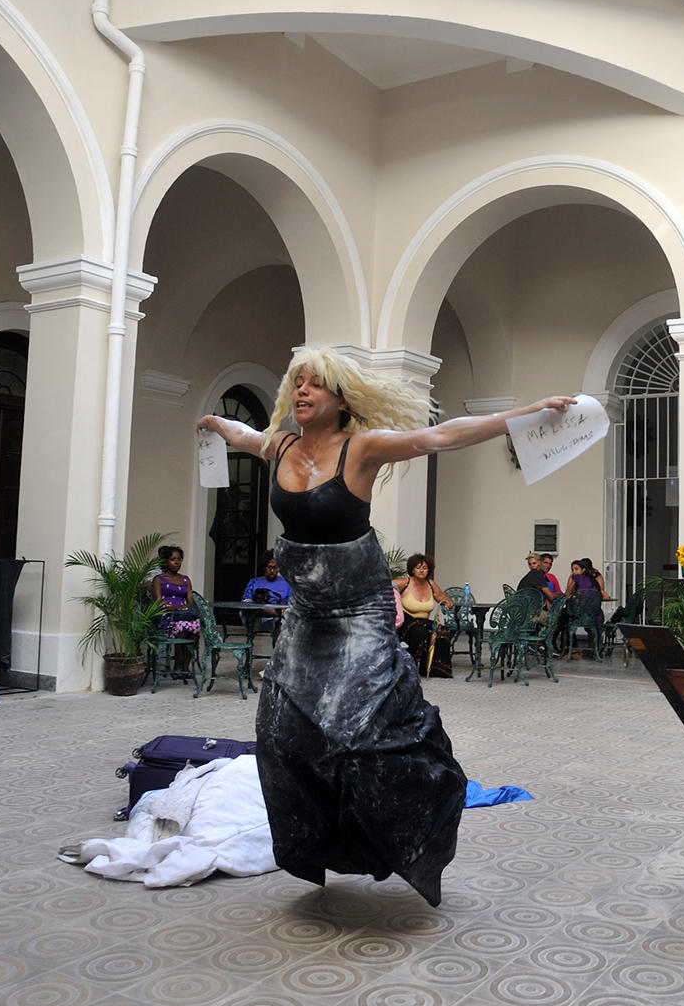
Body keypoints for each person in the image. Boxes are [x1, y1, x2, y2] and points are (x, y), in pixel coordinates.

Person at [198, 346, 576, 906]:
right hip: (307, 613)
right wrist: (212, 421)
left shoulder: (362, 449)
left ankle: (413, 830)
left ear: (341, 399)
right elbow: (243, 436)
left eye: (315, 385)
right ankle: (318, 846)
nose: (302, 392)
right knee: (279, 731)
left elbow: (444, 436)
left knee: (362, 734)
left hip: (359, 611)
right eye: (296, 384)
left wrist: (525, 414)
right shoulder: (278, 446)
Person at [393, 553, 456, 678]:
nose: (421, 570)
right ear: (412, 569)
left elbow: (443, 598)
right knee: (419, 631)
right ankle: (410, 666)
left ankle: (432, 668)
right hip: (406, 623)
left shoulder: (431, 584)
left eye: (425, 568)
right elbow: (384, 587)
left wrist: (447, 602)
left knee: (443, 631)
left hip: (424, 621)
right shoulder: (405, 582)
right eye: (418, 567)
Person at [155, 545, 201, 676]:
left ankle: (185, 667)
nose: (177, 562)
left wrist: (186, 608)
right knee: (182, 627)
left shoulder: (185, 579)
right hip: (167, 616)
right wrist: (174, 608)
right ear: (165, 561)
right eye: (172, 559)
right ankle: (177, 665)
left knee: (195, 627)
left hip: (183, 614)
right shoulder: (159, 579)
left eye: (179, 559)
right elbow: (157, 603)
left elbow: (190, 601)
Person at [240, 551, 293, 642]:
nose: (272, 571)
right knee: (245, 611)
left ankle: (279, 652)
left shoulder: (287, 584)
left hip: (279, 620)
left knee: (282, 620)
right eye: (269, 567)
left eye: (275, 567)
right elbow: (246, 602)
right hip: (257, 618)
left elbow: (292, 605)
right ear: (264, 567)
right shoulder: (254, 582)